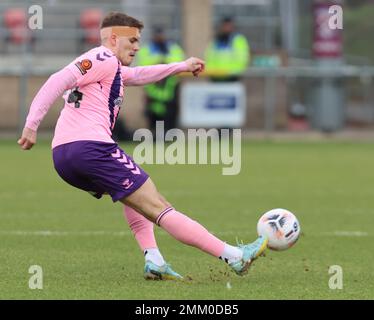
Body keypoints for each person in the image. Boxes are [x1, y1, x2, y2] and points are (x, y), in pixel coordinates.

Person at [17, 12, 267, 281]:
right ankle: (235, 256)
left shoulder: (111, 68)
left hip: (64, 157)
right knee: (158, 205)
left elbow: (138, 75)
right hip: (91, 148)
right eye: (133, 40)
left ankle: (154, 259)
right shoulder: (102, 57)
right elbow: (58, 79)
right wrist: (31, 124)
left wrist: (180, 66)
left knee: (132, 196)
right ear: (113, 39)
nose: (137, 47)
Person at [137, 27, 185, 134]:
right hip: (152, 85)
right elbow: (142, 63)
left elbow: (180, 62)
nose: (160, 37)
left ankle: (170, 132)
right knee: (152, 110)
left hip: (169, 85)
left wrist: (161, 62)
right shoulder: (147, 49)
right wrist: (161, 62)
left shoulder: (173, 48)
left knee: (170, 111)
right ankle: (154, 133)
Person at [205, 17, 250, 81]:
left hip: (232, 76)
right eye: (225, 26)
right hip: (215, 77)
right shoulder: (215, 41)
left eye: (228, 26)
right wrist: (211, 71)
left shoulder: (238, 40)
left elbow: (243, 59)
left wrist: (233, 71)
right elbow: (209, 57)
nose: (226, 28)